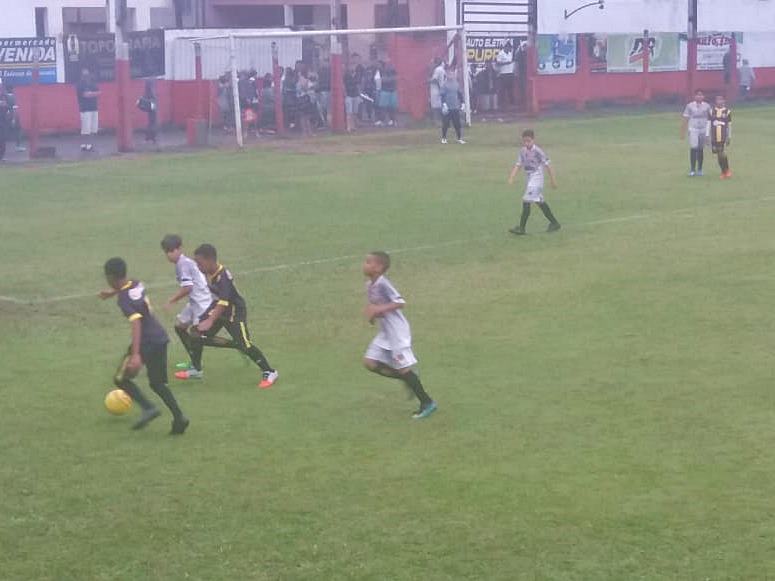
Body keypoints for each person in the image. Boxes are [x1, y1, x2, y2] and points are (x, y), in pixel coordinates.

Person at [99, 257, 189, 435]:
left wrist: (135, 354)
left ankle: (148, 408)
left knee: (121, 379)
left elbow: (136, 323)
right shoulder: (135, 283)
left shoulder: (124, 300)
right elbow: (129, 293)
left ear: (111, 277)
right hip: (160, 338)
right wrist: (111, 293)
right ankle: (179, 417)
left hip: (145, 341)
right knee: (158, 383)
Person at [175, 244, 279, 390]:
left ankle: (269, 371)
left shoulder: (223, 277)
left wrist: (210, 320)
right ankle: (196, 370)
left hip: (234, 312)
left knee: (245, 344)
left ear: (210, 260)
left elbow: (224, 302)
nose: (198, 266)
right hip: (219, 309)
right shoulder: (207, 272)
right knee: (196, 334)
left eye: (199, 262)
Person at [362, 251, 437, 420]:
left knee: (404, 367)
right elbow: (377, 307)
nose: (364, 265)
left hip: (397, 332)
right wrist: (373, 315)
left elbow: (400, 302)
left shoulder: (383, 284)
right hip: (385, 332)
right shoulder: (369, 285)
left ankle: (427, 402)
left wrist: (378, 310)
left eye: (368, 262)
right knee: (369, 363)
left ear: (378, 267)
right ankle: (408, 379)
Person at [160, 234, 212, 376]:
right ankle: (195, 361)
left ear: (179, 249)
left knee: (197, 335)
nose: (169, 255)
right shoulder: (183, 263)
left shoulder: (183, 264)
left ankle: (197, 370)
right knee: (180, 326)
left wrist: (172, 300)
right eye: (167, 252)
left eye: (172, 251)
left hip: (202, 304)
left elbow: (187, 287)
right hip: (195, 303)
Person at [507, 129, 560, 235]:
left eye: (529, 141)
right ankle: (555, 223)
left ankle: (521, 228)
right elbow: (518, 164)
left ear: (533, 140)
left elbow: (548, 165)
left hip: (537, 178)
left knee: (526, 200)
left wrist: (553, 180)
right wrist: (512, 177)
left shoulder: (538, 151)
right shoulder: (522, 151)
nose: (527, 143)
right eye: (525, 141)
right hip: (529, 178)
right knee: (540, 202)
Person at [681, 89, 711, 177]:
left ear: (703, 96)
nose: (699, 96)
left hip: (703, 128)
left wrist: (708, 133)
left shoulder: (707, 106)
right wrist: (683, 130)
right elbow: (686, 117)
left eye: (701, 95)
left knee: (700, 148)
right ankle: (692, 169)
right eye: (697, 95)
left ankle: (700, 169)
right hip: (693, 128)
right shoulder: (690, 106)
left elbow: (710, 119)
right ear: (694, 96)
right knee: (694, 147)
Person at [439, 65, 465, 145]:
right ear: (446, 74)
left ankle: (459, 138)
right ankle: (443, 138)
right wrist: (444, 104)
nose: (450, 74)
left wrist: (463, 103)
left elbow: (459, 93)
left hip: (455, 106)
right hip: (447, 107)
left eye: (452, 73)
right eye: (449, 73)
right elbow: (442, 95)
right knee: (446, 123)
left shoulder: (456, 84)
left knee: (457, 123)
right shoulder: (444, 84)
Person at [709, 94, 733, 180]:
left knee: (721, 153)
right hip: (714, 136)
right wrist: (707, 135)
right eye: (717, 100)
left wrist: (729, 136)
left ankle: (725, 171)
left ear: (724, 101)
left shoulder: (727, 111)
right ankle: (724, 171)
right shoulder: (711, 111)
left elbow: (729, 125)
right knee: (718, 154)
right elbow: (708, 124)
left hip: (722, 136)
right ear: (715, 101)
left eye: (721, 100)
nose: (719, 101)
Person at [76, 68, 100, 152]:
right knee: (86, 128)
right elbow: (85, 95)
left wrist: (92, 93)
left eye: (87, 74)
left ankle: (90, 144)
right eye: (84, 75)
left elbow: (99, 92)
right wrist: (93, 93)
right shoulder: (80, 85)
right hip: (85, 109)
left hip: (94, 108)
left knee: (93, 128)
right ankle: (84, 144)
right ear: (81, 76)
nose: (86, 76)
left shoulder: (93, 84)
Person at [378, 58, 398, 127]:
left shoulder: (394, 70)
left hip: (393, 91)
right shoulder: (381, 70)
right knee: (383, 107)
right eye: (387, 63)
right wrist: (391, 79)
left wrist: (389, 79)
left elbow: (396, 78)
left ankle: (393, 121)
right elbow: (383, 80)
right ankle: (382, 121)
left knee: (393, 107)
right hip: (385, 91)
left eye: (390, 63)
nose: (389, 65)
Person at [5, 83, 24, 152]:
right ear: (11, 89)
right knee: (18, 130)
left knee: (4, 132)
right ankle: (18, 146)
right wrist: (13, 118)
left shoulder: (3, 96)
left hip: (5, 117)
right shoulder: (12, 97)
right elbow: (14, 108)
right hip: (12, 116)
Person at [496, 42, 515, 109]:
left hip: (510, 73)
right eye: (508, 48)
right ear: (505, 47)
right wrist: (506, 63)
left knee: (510, 89)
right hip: (503, 74)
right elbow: (498, 63)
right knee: (502, 90)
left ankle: (511, 104)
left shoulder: (510, 54)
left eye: (510, 48)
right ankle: (502, 104)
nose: (509, 49)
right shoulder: (500, 54)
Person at [344, 62, 361, 133]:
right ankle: (349, 127)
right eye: (351, 66)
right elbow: (343, 84)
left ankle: (353, 126)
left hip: (356, 94)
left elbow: (359, 84)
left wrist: (359, 94)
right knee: (349, 112)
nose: (352, 68)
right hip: (348, 95)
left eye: (353, 66)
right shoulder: (346, 75)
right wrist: (344, 93)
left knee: (355, 112)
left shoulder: (357, 75)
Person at [140, 79, 158, 146]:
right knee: (152, 123)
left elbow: (150, 99)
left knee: (151, 123)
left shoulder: (149, 91)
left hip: (152, 106)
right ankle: (152, 138)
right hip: (153, 106)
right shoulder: (151, 90)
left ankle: (150, 138)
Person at [429, 58, 446, 123]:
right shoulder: (442, 69)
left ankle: (436, 121)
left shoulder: (437, 69)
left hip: (436, 90)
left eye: (432, 63)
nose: (431, 65)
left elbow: (435, 80)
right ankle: (442, 120)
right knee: (440, 105)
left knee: (436, 106)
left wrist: (427, 81)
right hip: (441, 89)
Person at [316, 58, 331, 127]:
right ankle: (324, 122)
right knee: (322, 107)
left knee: (326, 107)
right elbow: (318, 80)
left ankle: (326, 122)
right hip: (322, 90)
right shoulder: (320, 71)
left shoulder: (330, 70)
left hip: (327, 90)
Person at [0, 80, 8, 161]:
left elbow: (5, 105)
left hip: (2, 121)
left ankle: (1, 156)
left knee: (2, 139)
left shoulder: (4, 96)